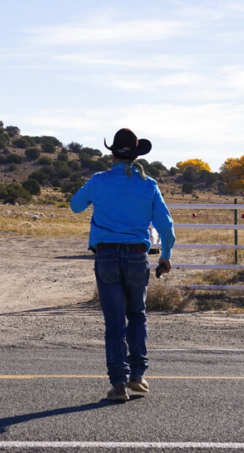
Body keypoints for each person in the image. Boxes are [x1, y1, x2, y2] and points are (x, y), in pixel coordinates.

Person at [70, 128, 175, 402]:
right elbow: (166, 225)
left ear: (112, 153)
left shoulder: (98, 180)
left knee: (114, 322)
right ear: (136, 155)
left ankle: (118, 384)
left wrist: (94, 192)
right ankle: (138, 376)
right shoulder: (148, 184)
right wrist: (165, 255)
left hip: (106, 255)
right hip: (137, 254)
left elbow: (75, 206)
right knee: (137, 314)